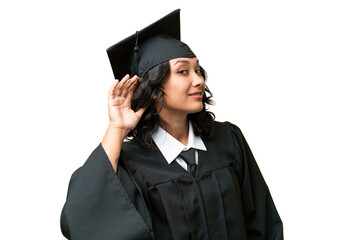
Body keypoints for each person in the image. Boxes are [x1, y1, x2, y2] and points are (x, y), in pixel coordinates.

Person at [60, 9, 283, 240]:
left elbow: (265, 224)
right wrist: (116, 129)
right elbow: (78, 221)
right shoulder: (131, 165)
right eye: (183, 71)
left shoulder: (229, 141)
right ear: (154, 89)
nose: (198, 80)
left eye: (198, 70)